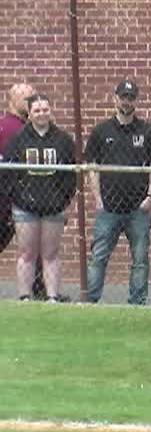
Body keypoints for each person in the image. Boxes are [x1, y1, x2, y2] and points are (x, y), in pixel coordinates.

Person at [83, 79, 151, 305]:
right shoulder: (101, 131)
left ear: (135, 101)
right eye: (123, 97)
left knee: (140, 260)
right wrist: (97, 198)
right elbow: (92, 167)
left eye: (130, 98)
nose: (127, 102)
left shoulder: (146, 131)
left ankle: (137, 303)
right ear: (115, 98)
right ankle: (90, 301)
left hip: (138, 209)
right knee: (98, 258)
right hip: (107, 208)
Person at [3, 94, 76, 302]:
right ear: (30, 113)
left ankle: (52, 296)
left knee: (50, 254)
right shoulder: (18, 140)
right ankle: (25, 296)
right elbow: (8, 174)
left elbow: (70, 176)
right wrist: (18, 198)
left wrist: (62, 200)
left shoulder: (62, 140)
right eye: (37, 110)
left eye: (45, 109)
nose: (42, 113)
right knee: (27, 254)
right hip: (25, 208)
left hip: (54, 208)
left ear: (50, 111)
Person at [0, 82, 34, 257]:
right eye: (27, 98)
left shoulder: (30, 129)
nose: (31, 101)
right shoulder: (8, 128)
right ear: (12, 100)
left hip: (23, 203)